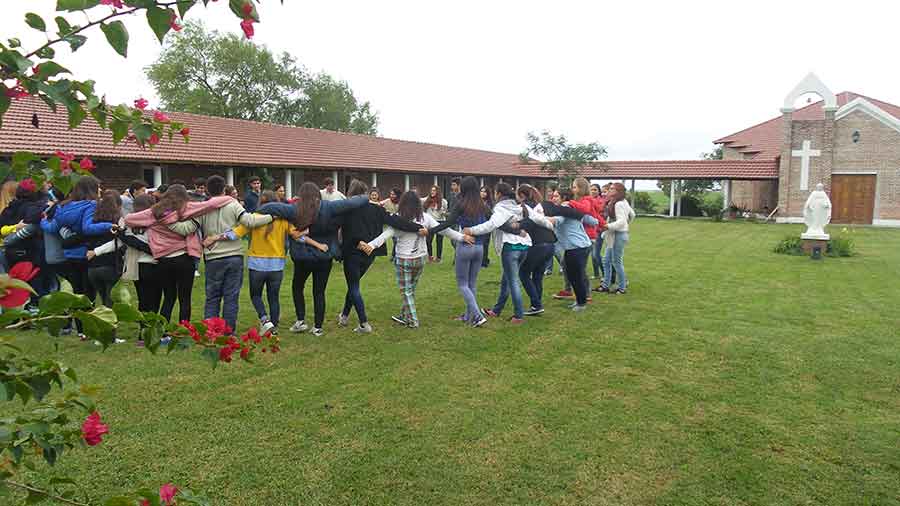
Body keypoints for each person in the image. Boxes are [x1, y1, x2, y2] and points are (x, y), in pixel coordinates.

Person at [257, 182, 370, 336]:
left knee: (297, 287)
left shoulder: (294, 208)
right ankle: (317, 327)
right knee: (319, 291)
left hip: (302, 256)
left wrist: (278, 212)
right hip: (324, 255)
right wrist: (365, 196)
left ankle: (300, 321)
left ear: (301, 195)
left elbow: (265, 208)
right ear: (318, 193)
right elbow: (355, 202)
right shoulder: (329, 207)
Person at [204, 190, 323, 335]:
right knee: (273, 297)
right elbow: (298, 237)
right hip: (277, 264)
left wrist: (215, 238)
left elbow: (234, 234)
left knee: (256, 295)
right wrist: (316, 241)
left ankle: (265, 320)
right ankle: (273, 327)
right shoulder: (284, 221)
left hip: (257, 264)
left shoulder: (253, 218)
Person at [166, 175, 272, 331]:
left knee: (212, 297)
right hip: (234, 256)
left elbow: (186, 228)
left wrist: (166, 222)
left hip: (213, 258)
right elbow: (249, 221)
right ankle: (228, 332)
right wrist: (271, 216)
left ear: (207, 190)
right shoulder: (233, 204)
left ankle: (210, 332)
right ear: (224, 189)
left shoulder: (203, 207)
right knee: (231, 297)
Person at [124, 184, 235, 324]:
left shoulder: (154, 212)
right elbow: (210, 204)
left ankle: (163, 331)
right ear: (184, 197)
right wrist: (229, 198)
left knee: (169, 297)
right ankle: (183, 329)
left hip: (163, 260)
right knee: (185, 298)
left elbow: (129, 219)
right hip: (184, 258)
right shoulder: (186, 208)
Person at [359, 190, 466, 329]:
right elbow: (444, 230)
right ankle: (404, 316)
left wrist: (371, 245)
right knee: (410, 291)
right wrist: (462, 237)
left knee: (406, 292)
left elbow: (387, 234)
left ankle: (413, 321)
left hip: (404, 259)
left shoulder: (399, 218)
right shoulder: (425, 218)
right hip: (421, 259)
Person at [338, 179, 425, 333]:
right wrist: (417, 227)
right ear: (365, 193)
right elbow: (396, 221)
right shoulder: (377, 209)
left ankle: (364, 323)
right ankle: (344, 315)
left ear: (350, 193)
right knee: (354, 285)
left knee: (353, 286)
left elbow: (348, 230)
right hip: (369, 255)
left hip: (353, 252)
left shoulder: (347, 210)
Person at [40, 176, 114, 339]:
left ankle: (80, 329)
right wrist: (109, 226)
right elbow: (87, 228)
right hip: (84, 253)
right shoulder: (91, 205)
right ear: (92, 189)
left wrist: (43, 222)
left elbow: (53, 227)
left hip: (69, 254)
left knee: (77, 291)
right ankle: (89, 328)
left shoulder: (63, 206)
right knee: (89, 294)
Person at [464, 183, 531, 324]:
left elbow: (491, 225)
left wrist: (471, 230)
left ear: (499, 194)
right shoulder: (519, 205)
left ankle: (518, 315)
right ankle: (497, 310)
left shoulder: (501, 207)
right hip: (524, 246)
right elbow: (536, 218)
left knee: (512, 281)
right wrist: (549, 224)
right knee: (506, 280)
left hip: (510, 247)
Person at [429, 176, 490, 327]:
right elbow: (492, 222)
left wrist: (431, 230)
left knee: (463, 284)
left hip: (465, 246)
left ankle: (477, 315)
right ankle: (468, 316)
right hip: (480, 248)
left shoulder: (460, 203)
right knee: (472, 284)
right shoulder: (483, 205)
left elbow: (449, 223)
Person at [551, 189, 598, 311]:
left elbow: (556, 221)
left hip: (578, 248)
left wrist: (540, 218)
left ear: (564, 197)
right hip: (576, 247)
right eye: (553, 196)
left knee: (576, 276)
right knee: (573, 275)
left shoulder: (563, 210)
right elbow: (592, 220)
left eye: (556, 196)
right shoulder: (570, 209)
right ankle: (579, 300)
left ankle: (581, 303)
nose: (553, 198)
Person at [84, 190, 125, 309]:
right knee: (110, 300)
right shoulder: (118, 221)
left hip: (92, 267)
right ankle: (110, 325)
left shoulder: (92, 221)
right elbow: (120, 242)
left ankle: (104, 323)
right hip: (110, 265)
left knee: (103, 299)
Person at [599, 182, 635, 294]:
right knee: (606, 260)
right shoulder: (621, 202)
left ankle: (622, 287)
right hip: (616, 234)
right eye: (609, 188)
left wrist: (607, 226)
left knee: (616, 262)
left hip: (618, 235)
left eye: (612, 189)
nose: (609, 190)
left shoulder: (619, 204)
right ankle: (605, 285)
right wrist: (625, 225)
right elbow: (632, 215)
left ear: (618, 191)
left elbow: (621, 221)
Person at [423, 185, 448, 263]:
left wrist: (442, 212)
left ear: (438, 192)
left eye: (434, 190)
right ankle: (430, 257)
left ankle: (438, 258)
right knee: (428, 240)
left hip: (440, 222)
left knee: (439, 240)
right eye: (431, 190)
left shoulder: (443, 201)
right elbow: (419, 200)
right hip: (430, 222)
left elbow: (445, 212)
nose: (432, 192)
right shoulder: (427, 200)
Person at [479, 185, 494, 268]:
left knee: (485, 244)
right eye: (481, 191)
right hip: (478, 225)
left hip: (487, 225)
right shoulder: (476, 202)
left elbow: (491, 214)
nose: (483, 193)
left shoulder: (490, 203)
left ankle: (484, 262)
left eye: (485, 191)